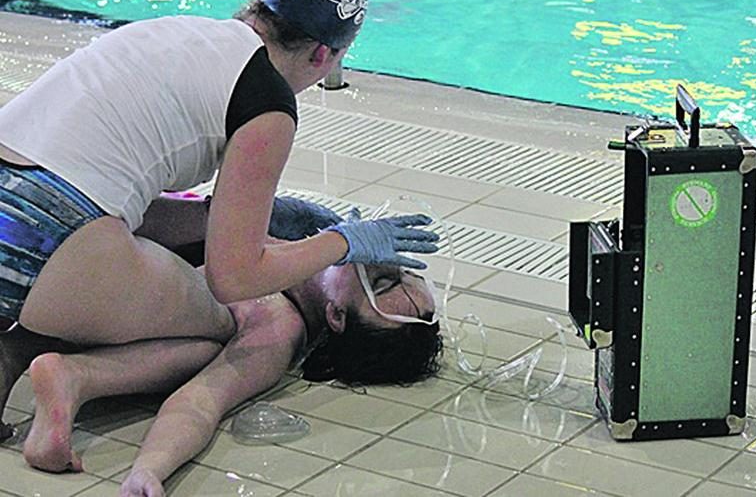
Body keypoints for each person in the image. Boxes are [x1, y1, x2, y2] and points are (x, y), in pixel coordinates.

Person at [0, 0, 438, 372]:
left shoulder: (175, 31)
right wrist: (342, 242)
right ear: (324, 54)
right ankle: (54, 371)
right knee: (227, 323)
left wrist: (215, 217)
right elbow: (234, 278)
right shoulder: (267, 101)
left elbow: (112, 198)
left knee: (105, 263)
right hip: (39, 238)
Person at [16, 200, 443, 497]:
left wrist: (148, 470)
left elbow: (200, 403)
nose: (383, 260)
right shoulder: (294, 240)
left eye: (381, 281)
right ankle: (71, 375)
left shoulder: (278, 326)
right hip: (57, 255)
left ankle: (75, 376)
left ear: (336, 316)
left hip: (52, 265)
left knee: (207, 348)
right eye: (406, 271)